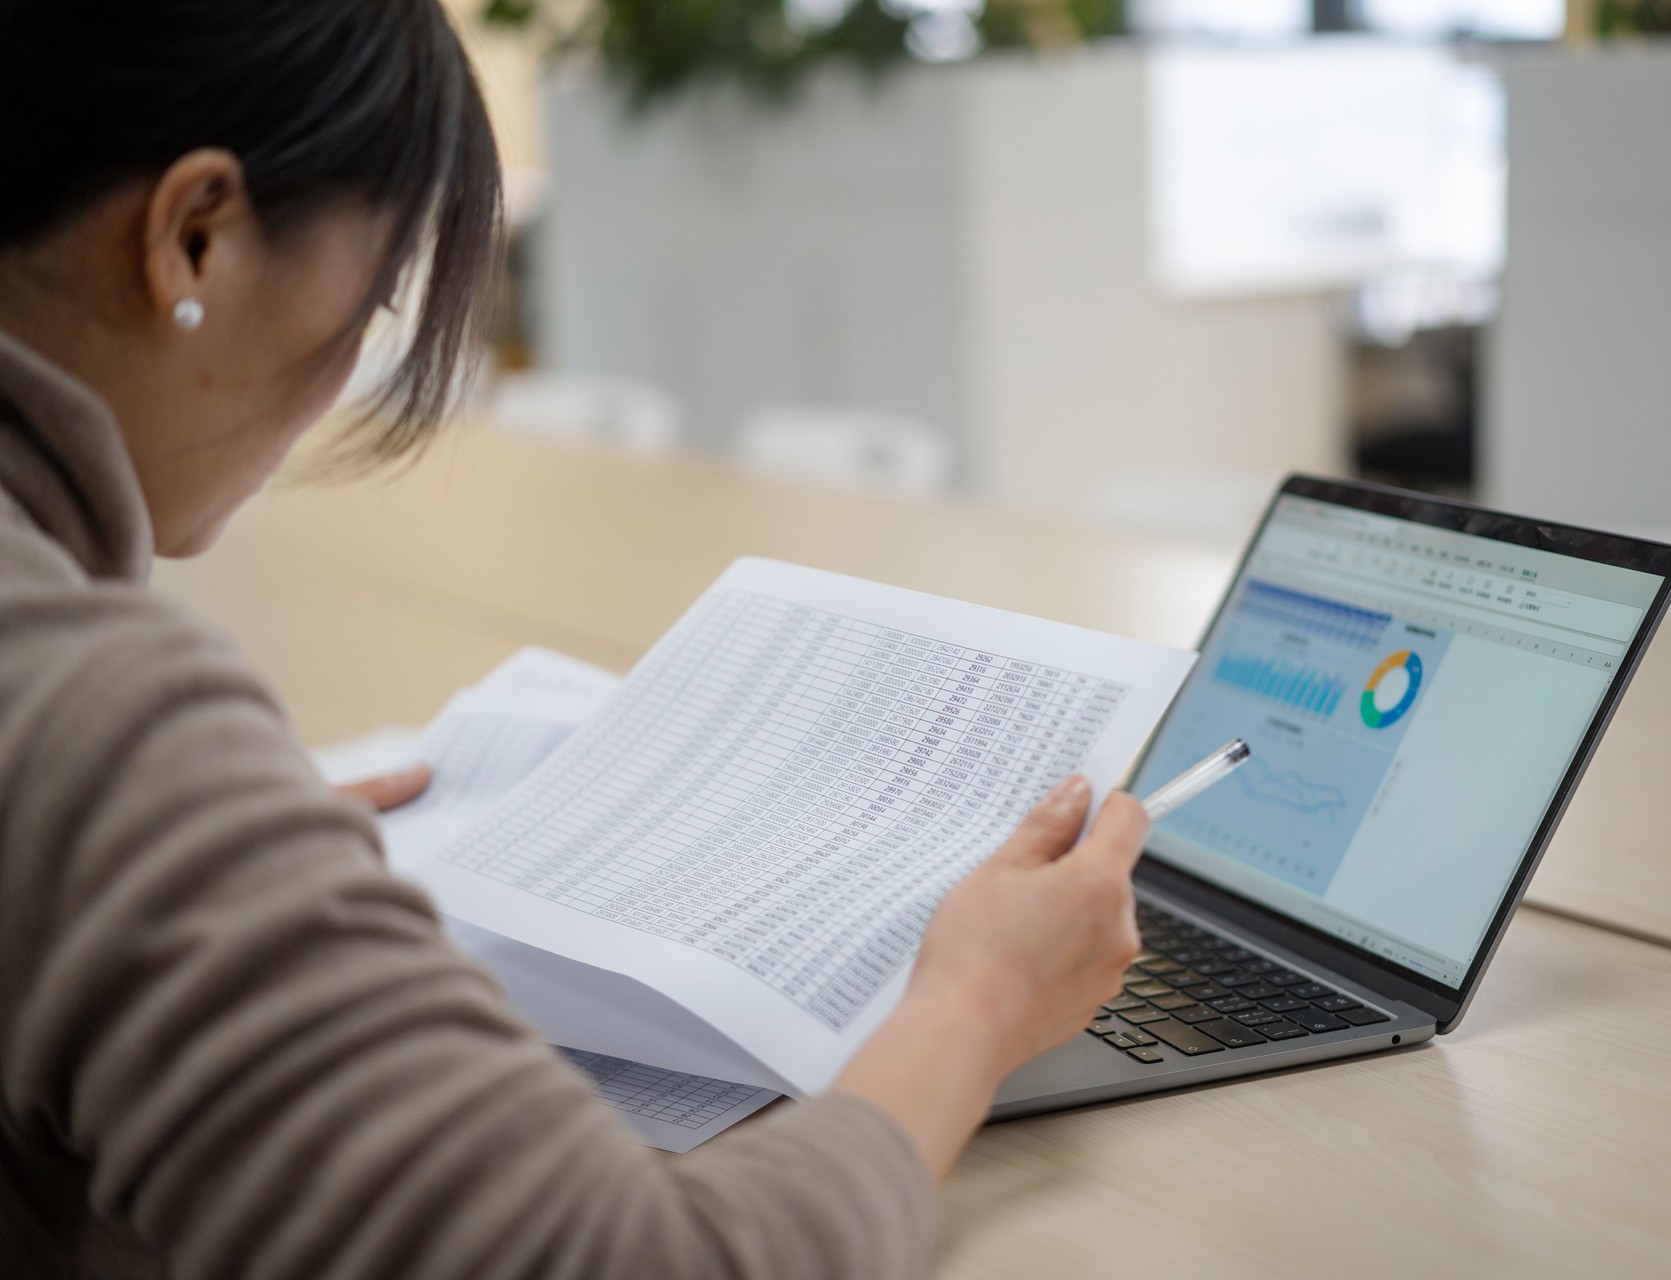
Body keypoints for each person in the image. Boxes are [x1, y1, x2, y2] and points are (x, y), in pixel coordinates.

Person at [0, 3, 1150, 1277]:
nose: (350, 369)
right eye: (379, 293)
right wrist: (975, 1000)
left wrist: (210, 871)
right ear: (195, 238)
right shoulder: (83, 711)